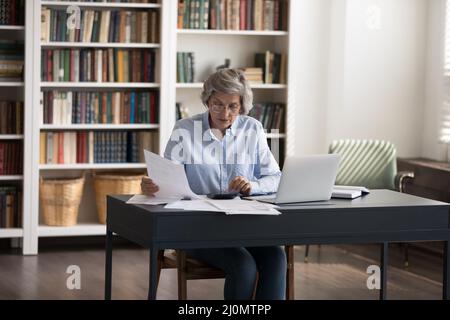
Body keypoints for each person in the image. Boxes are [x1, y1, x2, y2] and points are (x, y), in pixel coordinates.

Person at [141, 68, 286, 300]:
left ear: (242, 106)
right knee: (243, 265)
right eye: (217, 104)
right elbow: (165, 178)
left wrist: (251, 185)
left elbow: (276, 178)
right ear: (207, 100)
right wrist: (152, 186)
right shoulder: (185, 130)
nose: (225, 113)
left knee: (276, 258)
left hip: (242, 226)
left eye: (233, 106)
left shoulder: (253, 129)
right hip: (196, 229)